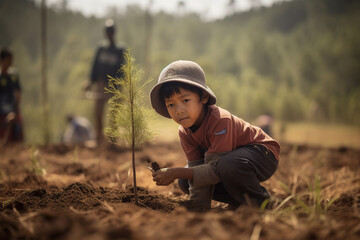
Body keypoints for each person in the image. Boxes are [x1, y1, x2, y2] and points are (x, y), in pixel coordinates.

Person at [149, 60, 280, 210]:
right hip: (229, 161)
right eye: (171, 105)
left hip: (262, 153)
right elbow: (197, 167)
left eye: (185, 100)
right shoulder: (184, 132)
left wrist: (177, 172)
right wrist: (198, 207)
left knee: (226, 165)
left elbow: (216, 170)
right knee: (185, 181)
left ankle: (259, 202)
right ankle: (240, 202)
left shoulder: (220, 120)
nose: (178, 110)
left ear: (203, 97)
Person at [84, 19, 126, 145]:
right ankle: (98, 139)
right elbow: (95, 66)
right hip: (101, 84)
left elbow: (122, 70)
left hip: (115, 86)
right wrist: (90, 81)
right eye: (107, 31)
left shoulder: (120, 50)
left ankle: (112, 140)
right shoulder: (101, 48)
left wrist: (117, 86)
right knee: (98, 113)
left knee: (114, 114)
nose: (109, 33)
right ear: (105, 32)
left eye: (111, 31)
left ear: (114, 32)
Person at [0, 48, 24, 145]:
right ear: (2, 60)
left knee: (17, 132)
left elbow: (18, 91)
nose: (10, 62)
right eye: (8, 59)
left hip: (12, 107)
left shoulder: (14, 75)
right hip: (1, 110)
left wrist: (16, 107)